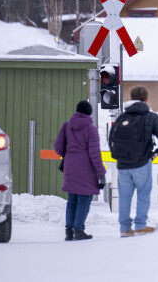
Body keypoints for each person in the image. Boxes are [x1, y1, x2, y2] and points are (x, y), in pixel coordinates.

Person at [108, 85, 158, 237]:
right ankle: (140, 225)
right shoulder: (150, 117)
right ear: (146, 100)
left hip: (122, 165)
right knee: (143, 195)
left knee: (124, 197)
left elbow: (111, 138)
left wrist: (119, 155)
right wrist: (156, 153)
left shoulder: (122, 117)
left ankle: (125, 228)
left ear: (131, 99)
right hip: (142, 163)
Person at [53, 100, 106, 241]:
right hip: (86, 169)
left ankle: (69, 231)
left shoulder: (67, 126)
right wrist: (101, 173)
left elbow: (58, 147)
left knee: (72, 200)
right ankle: (79, 230)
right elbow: (94, 154)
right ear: (89, 113)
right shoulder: (91, 129)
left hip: (70, 167)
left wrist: (70, 153)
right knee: (84, 199)